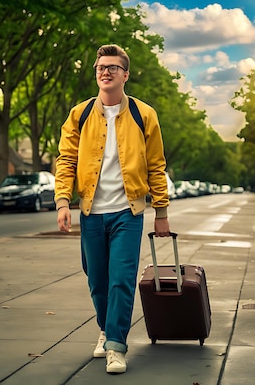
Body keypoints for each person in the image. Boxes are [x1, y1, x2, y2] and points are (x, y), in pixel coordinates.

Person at [54, 44, 170, 374]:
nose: (105, 72)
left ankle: (116, 346)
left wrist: (161, 212)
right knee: (97, 280)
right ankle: (106, 330)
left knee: (120, 279)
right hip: (91, 211)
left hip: (127, 212)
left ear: (125, 75)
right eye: (100, 67)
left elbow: (157, 165)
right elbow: (66, 161)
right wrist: (64, 201)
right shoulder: (79, 115)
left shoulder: (143, 115)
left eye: (112, 68)